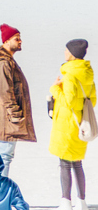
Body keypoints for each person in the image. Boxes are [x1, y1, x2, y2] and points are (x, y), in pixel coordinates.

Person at [49, 37, 94, 210]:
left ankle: (65, 202)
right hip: (81, 124)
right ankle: (81, 202)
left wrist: (55, 89)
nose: (65, 52)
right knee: (77, 163)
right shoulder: (88, 73)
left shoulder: (69, 74)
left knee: (65, 163)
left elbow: (68, 102)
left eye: (67, 50)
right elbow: (93, 100)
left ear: (73, 54)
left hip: (67, 124)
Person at [0, 25, 36, 169]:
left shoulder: (7, 61)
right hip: (7, 119)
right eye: (16, 38)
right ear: (6, 41)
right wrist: (15, 114)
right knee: (5, 157)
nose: (20, 41)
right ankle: (0, 190)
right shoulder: (3, 64)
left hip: (5, 117)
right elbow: (5, 91)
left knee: (4, 155)